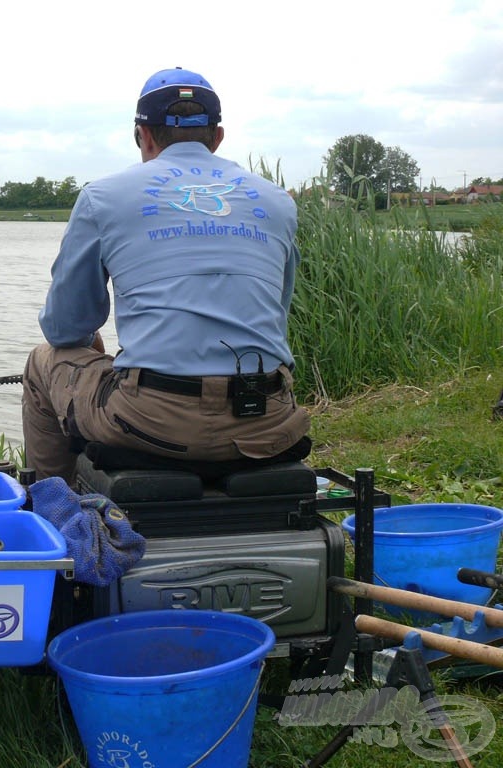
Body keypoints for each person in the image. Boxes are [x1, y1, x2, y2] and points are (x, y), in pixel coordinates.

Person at [22, 66, 311, 485]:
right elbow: (275, 316)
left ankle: (55, 512)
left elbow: (64, 327)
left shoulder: (102, 197)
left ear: (144, 136)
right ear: (217, 137)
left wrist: (91, 347)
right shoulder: (278, 202)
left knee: (42, 361)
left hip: (151, 423)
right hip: (266, 421)